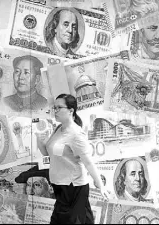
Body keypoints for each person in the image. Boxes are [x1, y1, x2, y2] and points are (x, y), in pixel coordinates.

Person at [37, 94, 109, 224]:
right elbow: (48, 154)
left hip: (73, 187)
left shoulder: (76, 134)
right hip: (60, 186)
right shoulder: (59, 129)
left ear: (71, 111)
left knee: (70, 220)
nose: (55, 111)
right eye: (54, 108)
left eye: (59, 108)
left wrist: (100, 185)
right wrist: (39, 139)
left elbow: (88, 162)